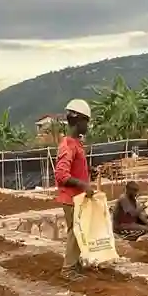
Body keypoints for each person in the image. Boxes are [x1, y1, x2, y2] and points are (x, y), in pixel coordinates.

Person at [55, 99, 95, 280]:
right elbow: (61, 175)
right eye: (86, 121)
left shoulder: (75, 144)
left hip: (76, 198)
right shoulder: (68, 145)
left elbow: (74, 170)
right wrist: (83, 185)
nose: (87, 126)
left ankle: (75, 265)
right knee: (75, 232)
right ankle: (68, 270)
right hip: (71, 198)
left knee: (79, 231)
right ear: (79, 122)